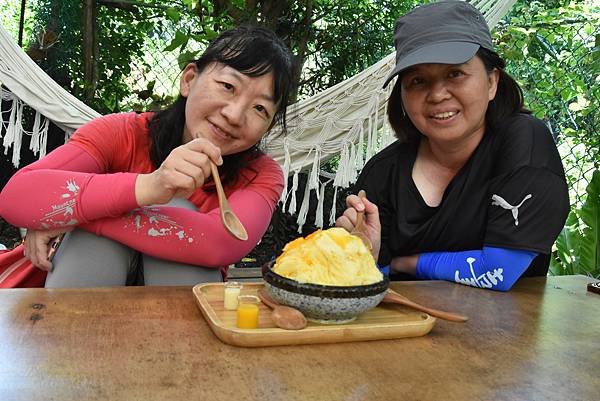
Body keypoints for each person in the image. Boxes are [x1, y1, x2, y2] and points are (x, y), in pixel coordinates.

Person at [0, 25, 294, 287]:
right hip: (87, 294)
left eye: (260, 109)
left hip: (178, 321)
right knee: (97, 242)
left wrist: (75, 216)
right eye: (228, 86)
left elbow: (221, 242)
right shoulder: (122, 132)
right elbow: (17, 195)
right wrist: (151, 187)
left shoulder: (261, 174)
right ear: (189, 79)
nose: (234, 115)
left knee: (178, 213)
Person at [336, 1, 569, 291]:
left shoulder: (524, 143)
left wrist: (403, 263)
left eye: (455, 74)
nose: (437, 94)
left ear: (492, 81)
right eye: (418, 80)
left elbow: (498, 271)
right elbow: (362, 281)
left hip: (504, 333)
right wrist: (363, 259)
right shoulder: (383, 172)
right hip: (403, 330)